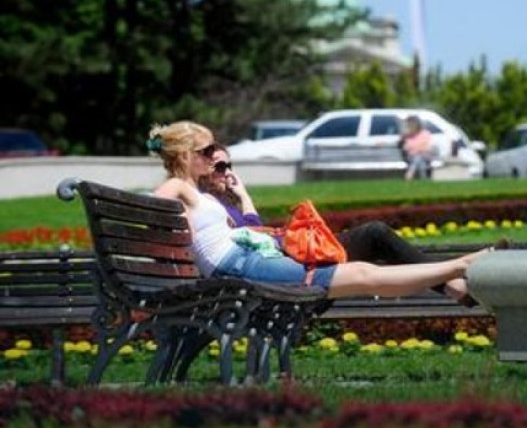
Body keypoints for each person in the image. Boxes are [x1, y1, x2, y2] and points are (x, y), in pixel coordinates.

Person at [147, 120, 487, 301]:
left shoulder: (196, 193)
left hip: (248, 260)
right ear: (184, 156)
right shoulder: (179, 187)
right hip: (239, 266)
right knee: (362, 275)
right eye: (206, 151)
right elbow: (154, 205)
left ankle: (456, 271)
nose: (213, 158)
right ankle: (459, 267)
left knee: (362, 271)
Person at [399, 115, 436, 181]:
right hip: (411, 157)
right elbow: (405, 148)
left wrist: (418, 149)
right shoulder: (406, 136)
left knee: (419, 157)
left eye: (409, 125)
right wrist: (419, 149)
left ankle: (410, 174)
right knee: (420, 161)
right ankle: (424, 180)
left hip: (425, 156)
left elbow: (428, 147)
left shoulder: (426, 134)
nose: (408, 127)